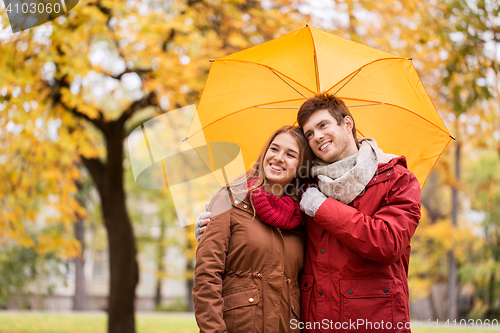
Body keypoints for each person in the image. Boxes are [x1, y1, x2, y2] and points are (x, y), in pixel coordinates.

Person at [197, 93, 421, 333]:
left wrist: (322, 207)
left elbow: (388, 243)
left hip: (373, 322)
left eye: (323, 125)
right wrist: (213, 226)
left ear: (347, 124)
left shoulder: (397, 179)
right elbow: (266, 231)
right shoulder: (305, 186)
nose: (317, 137)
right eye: (309, 133)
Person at [192, 125, 313, 333]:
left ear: (302, 166)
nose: (279, 157)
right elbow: (207, 275)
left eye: (291, 154)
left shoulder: (303, 217)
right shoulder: (230, 198)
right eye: (274, 149)